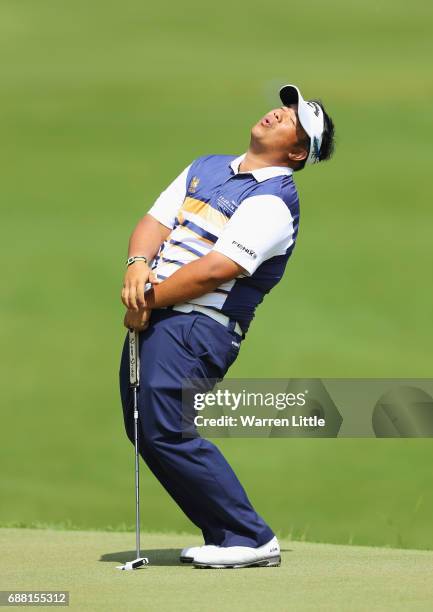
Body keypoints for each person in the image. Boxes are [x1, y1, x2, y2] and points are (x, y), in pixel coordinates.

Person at [119, 84, 335, 568]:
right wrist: (137, 265)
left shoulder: (276, 200)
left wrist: (146, 300)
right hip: (160, 315)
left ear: (298, 151)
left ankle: (248, 536)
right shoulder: (206, 166)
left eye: (293, 119)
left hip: (199, 326)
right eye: (284, 106)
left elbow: (218, 269)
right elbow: (155, 221)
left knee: (165, 428)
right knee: (146, 427)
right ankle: (227, 534)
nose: (280, 113)